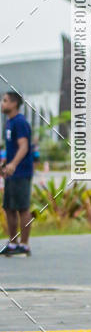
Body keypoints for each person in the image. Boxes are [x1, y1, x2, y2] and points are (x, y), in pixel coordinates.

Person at [0, 92, 34, 257]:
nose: (2, 103)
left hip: (21, 172)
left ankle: (24, 245)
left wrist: (13, 164)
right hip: (11, 173)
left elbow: (24, 147)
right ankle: (13, 244)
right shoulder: (9, 123)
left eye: (5, 100)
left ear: (14, 104)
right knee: (9, 208)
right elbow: (12, 148)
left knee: (22, 208)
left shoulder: (20, 122)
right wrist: (5, 164)